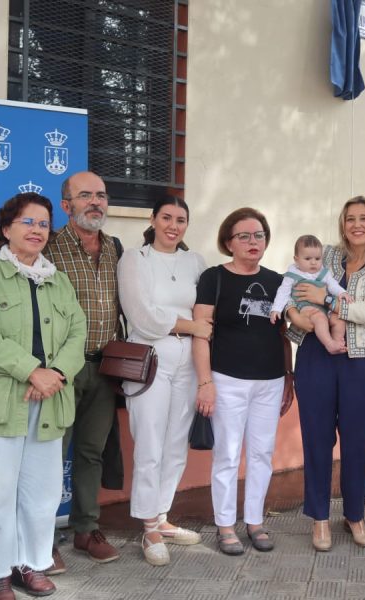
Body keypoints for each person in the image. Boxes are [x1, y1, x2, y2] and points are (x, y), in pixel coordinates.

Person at [0, 193, 86, 599]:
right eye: (27, 222)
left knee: (41, 493)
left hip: (49, 400)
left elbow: (77, 334)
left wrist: (57, 374)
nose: (37, 230)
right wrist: (33, 371)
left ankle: (28, 564)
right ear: (6, 229)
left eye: (44, 224)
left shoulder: (59, 280)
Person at [287, 196, 365, 551]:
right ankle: (319, 517)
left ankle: (354, 515)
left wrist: (327, 299)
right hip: (315, 355)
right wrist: (296, 312)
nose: (357, 225)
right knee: (317, 437)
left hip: (359, 360)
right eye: (350, 218)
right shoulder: (326, 255)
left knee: (360, 440)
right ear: (342, 224)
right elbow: (296, 291)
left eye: (364, 218)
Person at [192, 208, 295, 556]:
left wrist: (288, 376)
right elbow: (201, 333)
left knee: (262, 454)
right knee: (228, 454)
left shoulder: (278, 281)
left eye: (259, 235)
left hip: (270, 381)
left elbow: (283, 334)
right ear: (229, 242)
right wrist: (205, 382)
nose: (254, 242)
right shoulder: (214, 278)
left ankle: (254, 521)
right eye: (245, 236)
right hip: (227, 380)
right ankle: (225, 525)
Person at [117, 197, 211, 565]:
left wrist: (197, 331)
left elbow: (207, 311)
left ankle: (162, 516)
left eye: (181, 220)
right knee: (150, 443)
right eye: (167, 218)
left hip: (189, 361)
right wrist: (191, 326)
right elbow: (142, 316)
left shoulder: (195, 262)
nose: (173, 226)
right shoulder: (135, 259)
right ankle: (148, 526)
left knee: (175, 444)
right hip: (151, 359)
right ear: (153, 219)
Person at [44, 171, 122, 567]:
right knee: (50, 454)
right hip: (60, 370)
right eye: (85, 195)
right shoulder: (49, 247)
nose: (96, 202)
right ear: (66, 205)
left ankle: (86, 530)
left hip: (104, 368)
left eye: (101, 195)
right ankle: (42, 539)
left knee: (92, 451)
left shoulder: (115, 248)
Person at [269, 234, 349, 353]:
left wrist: (342, 292)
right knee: (320, 318)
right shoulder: (292, 275)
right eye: (307, 259)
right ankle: (329, 344)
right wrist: (276, 309)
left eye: (317, 259)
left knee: (339, 319)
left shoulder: (323, 272)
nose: (313, 263)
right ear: (296, 259)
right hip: (306, 308)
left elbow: (333, 285)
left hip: (324, 307)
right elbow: (283, 292)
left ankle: (338, 342)